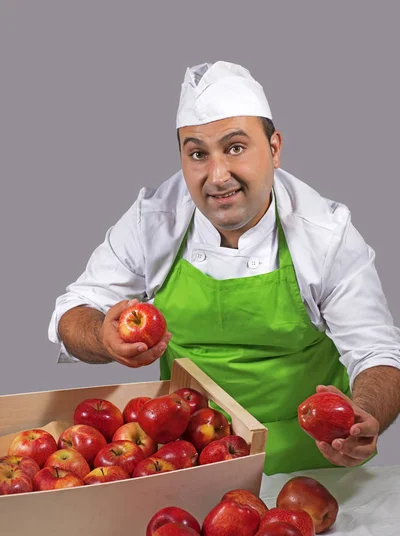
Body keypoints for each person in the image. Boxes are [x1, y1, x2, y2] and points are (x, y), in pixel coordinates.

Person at [49, 61, 400, 475]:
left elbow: (378, 353)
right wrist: (101, 337)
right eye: (197, 153)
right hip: (187, 465)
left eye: (235, 148)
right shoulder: (154, 220)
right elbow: (73, 311)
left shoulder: (325, 235)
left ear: (274, 148)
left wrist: (361, 417)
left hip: (310, 466)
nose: (217, 176)